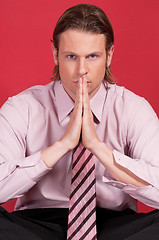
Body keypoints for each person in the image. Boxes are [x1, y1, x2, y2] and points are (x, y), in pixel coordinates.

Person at [0, 3, 159, 240]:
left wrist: (98, 147)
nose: (81, 70)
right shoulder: (23, 107)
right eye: (71, 56)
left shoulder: (133, 108)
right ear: (55, 54)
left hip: (115, 225)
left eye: (92, 56)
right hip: (36, 225)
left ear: (109, 55)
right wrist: (62, 145)